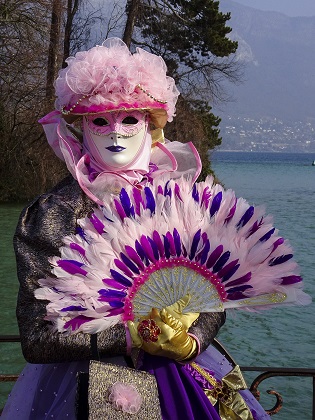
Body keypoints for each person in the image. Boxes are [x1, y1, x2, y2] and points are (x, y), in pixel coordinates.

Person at [2, 38, 271, 419]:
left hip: (181, 377)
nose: (116, 133)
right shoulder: (52, 214)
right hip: (84, 390)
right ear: (80, 128)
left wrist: (190, 340)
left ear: (151, 126)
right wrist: (133, 335)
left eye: (130, 119)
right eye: (100, 120)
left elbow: (213, 295)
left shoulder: (179, 202)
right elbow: (37, 339)